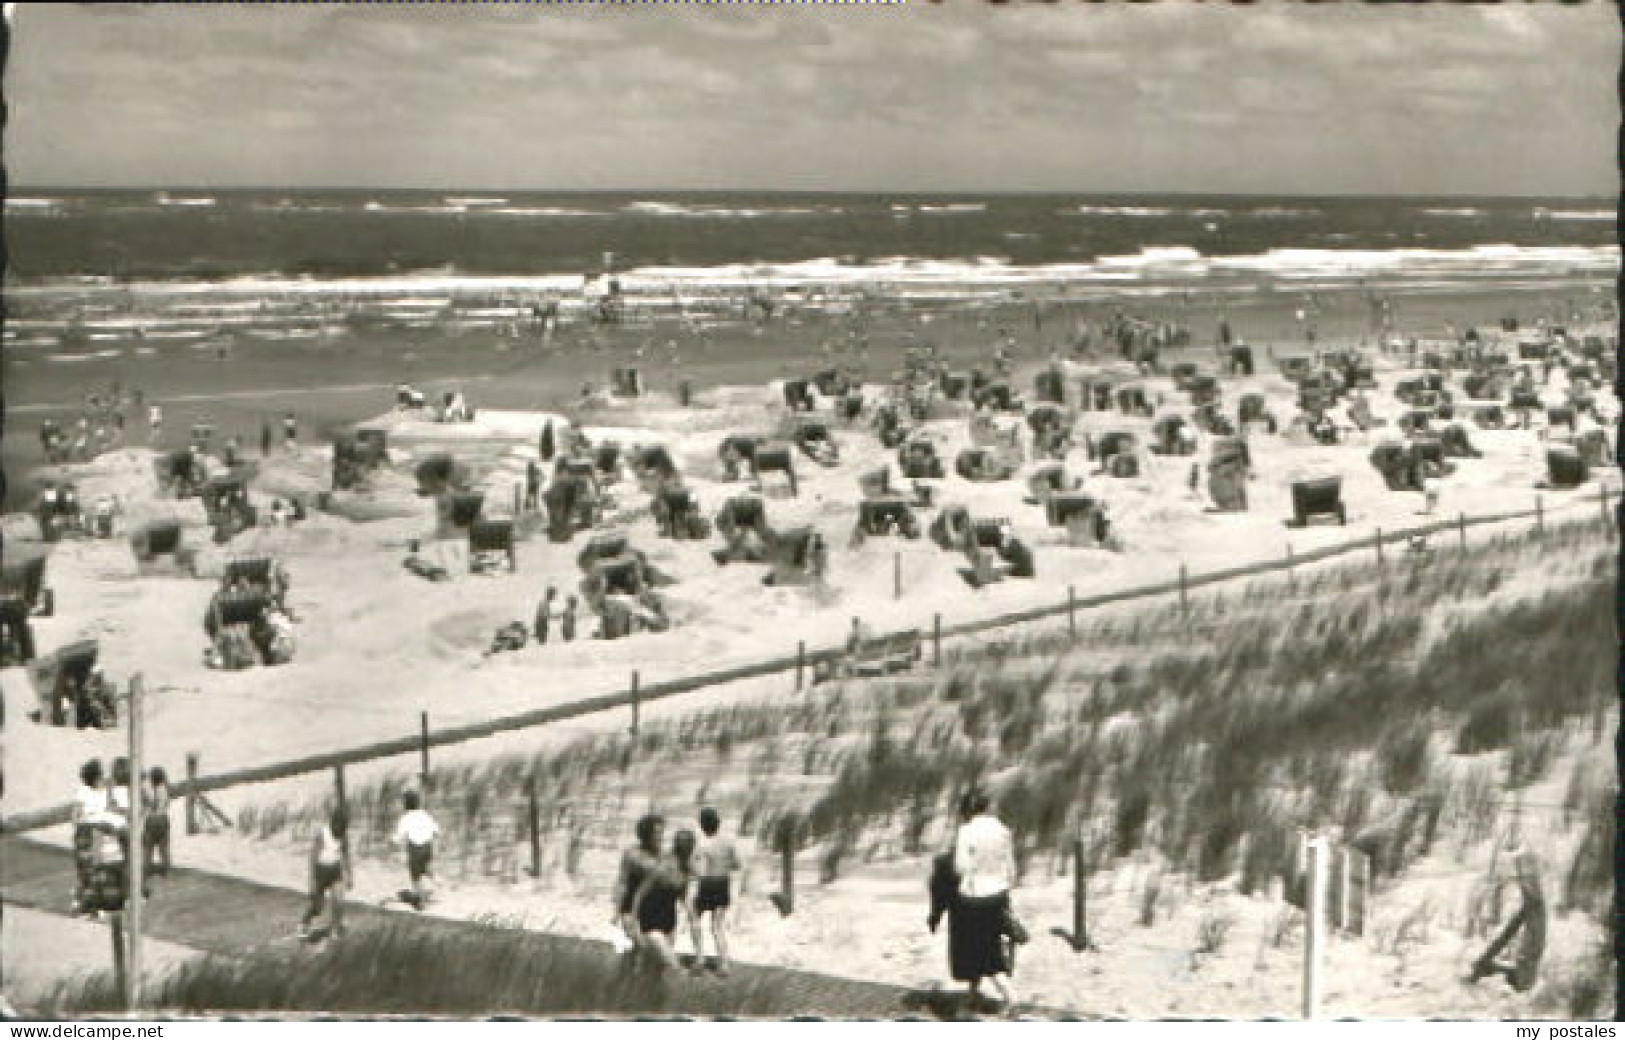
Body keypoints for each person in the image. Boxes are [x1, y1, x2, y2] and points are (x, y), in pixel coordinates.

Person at [949, 789, 1020, 1015]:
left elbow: (960, 867)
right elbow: (1012, 870)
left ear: (968, 810)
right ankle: (972, 996)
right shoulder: (1003, 830)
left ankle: (1010, 998)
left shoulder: (966, 831)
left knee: (977, 951)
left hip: (974, 897)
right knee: (990, 946)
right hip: (999, 895)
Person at [631, 828, 697, 973]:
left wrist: (691, 913)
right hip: (649, 914)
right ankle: (681, 972)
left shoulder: (686, 869)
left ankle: (642, 976)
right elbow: (640, 892)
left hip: (668, 916)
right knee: (665, 954)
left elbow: (682, 894)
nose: (689, 851)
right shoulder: (662, 866)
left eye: (689, 847)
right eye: (686, 847)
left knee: (658, 965)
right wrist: (635, 919)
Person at [691, 808, 742, 975]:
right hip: (722, 884)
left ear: (702, 824)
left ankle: (699, 959)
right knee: (717, 927)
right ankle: (724, 963)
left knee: (695, 920)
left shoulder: (701, 843)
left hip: (707, 884)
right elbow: (737, 865)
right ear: (718, 823)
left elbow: (694, 867)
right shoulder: (728, 841)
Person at [613, 815, 666, 957]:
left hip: (655, 909)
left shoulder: (664, 855)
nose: (660, 837)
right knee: (639, 946)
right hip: (631, 907)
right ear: (645, 834)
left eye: (662, 833)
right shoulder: (632, 854)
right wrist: (617, 912)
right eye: (656, 833)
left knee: (652, 952)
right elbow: (622, 882)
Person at [299, 807, 350, 940]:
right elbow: (313, 857)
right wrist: (311, 881)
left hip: (335, 871)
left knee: (339, 901)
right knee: (317, 907)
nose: (341, 831)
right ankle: (304, 922)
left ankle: (335, 929)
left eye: (344, 828)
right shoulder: (322, 834)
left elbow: (345, 855)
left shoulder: (342, 836)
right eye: (339, 827)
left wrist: (349, 874)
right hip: (320, 872)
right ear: (333, 823)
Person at [70, 761, 107, 915]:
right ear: (96, 776)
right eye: (101, 774)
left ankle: (90, 905)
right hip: (86, 832)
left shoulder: (103, 791)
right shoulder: (83, 791)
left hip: (98, 832)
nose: (103, 777)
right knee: (86, 871)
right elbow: (75, 817)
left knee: (96, 871)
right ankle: (81, 904)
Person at [392, 791, 440, 910]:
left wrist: (392, 840)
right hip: (427, 846)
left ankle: (421, 902)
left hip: (415, 848)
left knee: (415, 876)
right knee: (426, 867)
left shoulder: (405, 818)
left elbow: (399, 837)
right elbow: (437, 831)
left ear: (405, 805)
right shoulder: (425, 814)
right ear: (418, 803)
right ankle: (436, 878)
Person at [143, 767, 173, 881]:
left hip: (151, 819)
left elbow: (148, 803)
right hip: (163, 819)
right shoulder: (165, 789)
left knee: (148, 847)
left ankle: (147, 870)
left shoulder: (149, 790)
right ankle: (165, 870)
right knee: (164, 848)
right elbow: (166, 803)